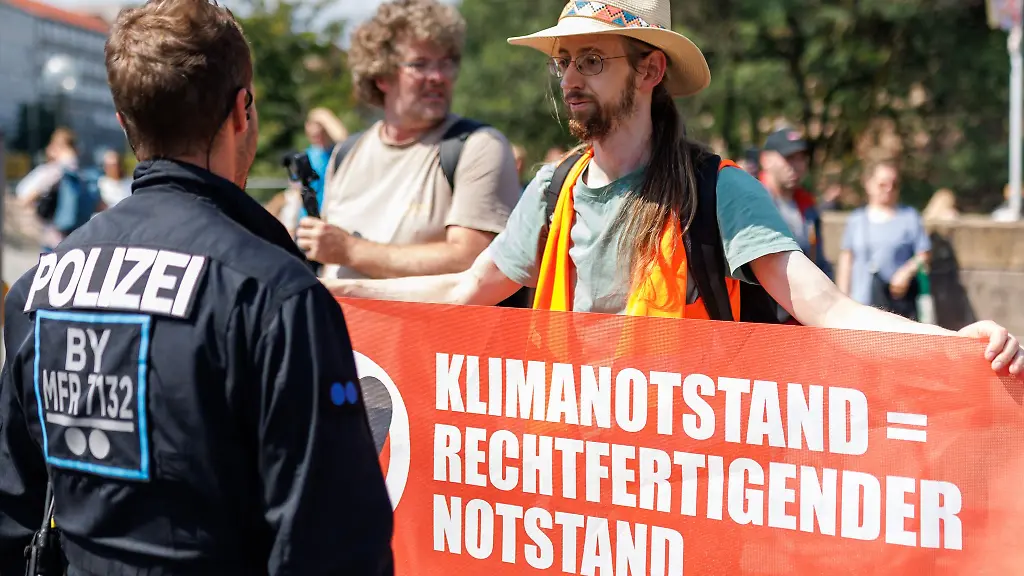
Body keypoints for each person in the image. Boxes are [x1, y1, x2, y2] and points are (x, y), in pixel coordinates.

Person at [320, 0, 1024, 377]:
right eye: (564, 61)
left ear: (650, 71)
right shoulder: (551, 188)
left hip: (683, 491)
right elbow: (458, 291)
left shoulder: (719, 191)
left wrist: (958, 346)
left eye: (591, 60)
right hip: (563, 478)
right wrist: (332, 294)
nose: (569, 77)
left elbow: (830, 309)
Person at [0, 0, 395, 574]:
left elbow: (11, 510)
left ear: (123, 120)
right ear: (242, 110)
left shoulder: (39, 288)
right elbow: (333, 541)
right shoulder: (275, 294)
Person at [296, 0, 522, 303]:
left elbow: (474, 261)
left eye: (446, 62)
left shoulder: (478, 146)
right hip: (344, 342)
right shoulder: (346, 152)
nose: (439, 77)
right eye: (420, 64)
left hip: (426, 345)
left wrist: (352, 251)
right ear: (381, 75)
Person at [836, 160, 932, 321]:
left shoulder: (909, 217)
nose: (888, 189)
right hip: (860, 306)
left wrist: (906, 272)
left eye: (894, 185)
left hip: (896, 307)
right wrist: (841, 299)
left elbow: (924, 254)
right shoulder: (856, 220)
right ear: (868, 184)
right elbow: (847, 260)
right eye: (882, 184)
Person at [759, 127, 831, 278]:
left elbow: (818, 261)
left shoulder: (807, 205)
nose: (797, 166)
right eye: (789, 158)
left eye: (801, 158)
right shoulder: (753, 203)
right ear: (765, 160)